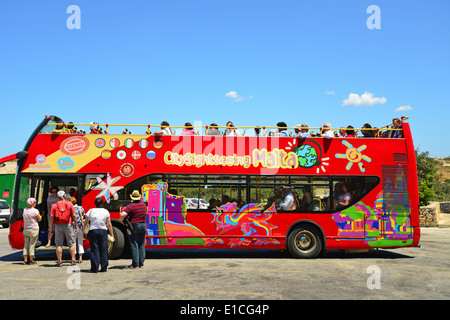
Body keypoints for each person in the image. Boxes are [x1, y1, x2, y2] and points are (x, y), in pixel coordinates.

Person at [120, 190, 148, 269]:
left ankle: (135, 264)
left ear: (132, 197)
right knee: (141, 244)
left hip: (134, 226)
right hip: (143, 225)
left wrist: (122, 220)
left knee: (134, 244)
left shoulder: (131, 206)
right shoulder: (143, 205)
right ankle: (141, 263)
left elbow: (123, 214)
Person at [85, 198, 114, 273]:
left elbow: (85, 222)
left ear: (95, 204)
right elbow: (109, 224)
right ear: (102, 204)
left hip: (93, 230)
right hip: (103, 231)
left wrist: (83, 231)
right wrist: (112, 233)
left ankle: (95, 267)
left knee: (94, 249)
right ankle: (104, 266)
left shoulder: (91, 211)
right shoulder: (106, 211)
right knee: (103, 249)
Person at [50, 191, 78, 267]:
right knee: (71, 243)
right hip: (68, 224)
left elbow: (52, 218)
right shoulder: (69, 204)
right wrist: (76, 224)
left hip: (58, 225)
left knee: (59, 244)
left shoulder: (54, 205)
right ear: (65, 196)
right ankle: (73, 260)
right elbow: (74, 215)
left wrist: (51, 228)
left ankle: (60, 262)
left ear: (58, 197)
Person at [22, 198, 42, 264]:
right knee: (32, 245)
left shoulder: (25, 210)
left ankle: (25, 260)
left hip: (26, 229)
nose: (36, 203)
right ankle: (31, 260)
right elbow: (39, 219)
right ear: (32, 203)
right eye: (35, 202)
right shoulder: (35, 211)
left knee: (26, 245)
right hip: (34, 229)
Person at [70, 197, 85, 263]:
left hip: (72, 227)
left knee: (73, 242)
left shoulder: (70, 208)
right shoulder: (80, 208)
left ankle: (74, 257)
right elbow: (84, 216)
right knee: (80, 242)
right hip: (80, 227)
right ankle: (80, 258)